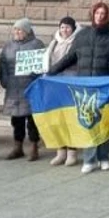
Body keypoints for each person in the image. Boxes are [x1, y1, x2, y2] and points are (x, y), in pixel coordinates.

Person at [48, 1, 109, 174]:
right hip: (84, 87)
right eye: (97, 13)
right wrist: (52, 71)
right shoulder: (82, 36)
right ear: (92, 15)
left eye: (103, 14)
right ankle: (90, 160)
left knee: (103, 123)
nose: (100, 16)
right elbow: (70, 57)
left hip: (103, 86)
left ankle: (103, 157)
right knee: (88, 121)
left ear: (107, 17)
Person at [0, 18, 46, 162]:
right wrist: (4, 80)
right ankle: (17, 147)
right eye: (15, 29)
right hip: (13, 88)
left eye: (20, 30)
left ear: (27, 31)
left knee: (32, 120)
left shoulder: (37, 44)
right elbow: (3, 64)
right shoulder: (8, 46)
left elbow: (43, 64)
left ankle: (34, 147)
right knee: (16, 120)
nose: (17, 32)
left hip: (30, 88)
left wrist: (36, 75)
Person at [45, 16, 83, 166]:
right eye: (62, 27)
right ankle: (60, 152)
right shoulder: (54, 42)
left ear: (73, 29)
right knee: (57, 119)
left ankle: (72, 152)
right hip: (55, 85)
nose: (64, 30)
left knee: (70, 119)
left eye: (67, 27)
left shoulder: (77, 43)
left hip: (71, 83)